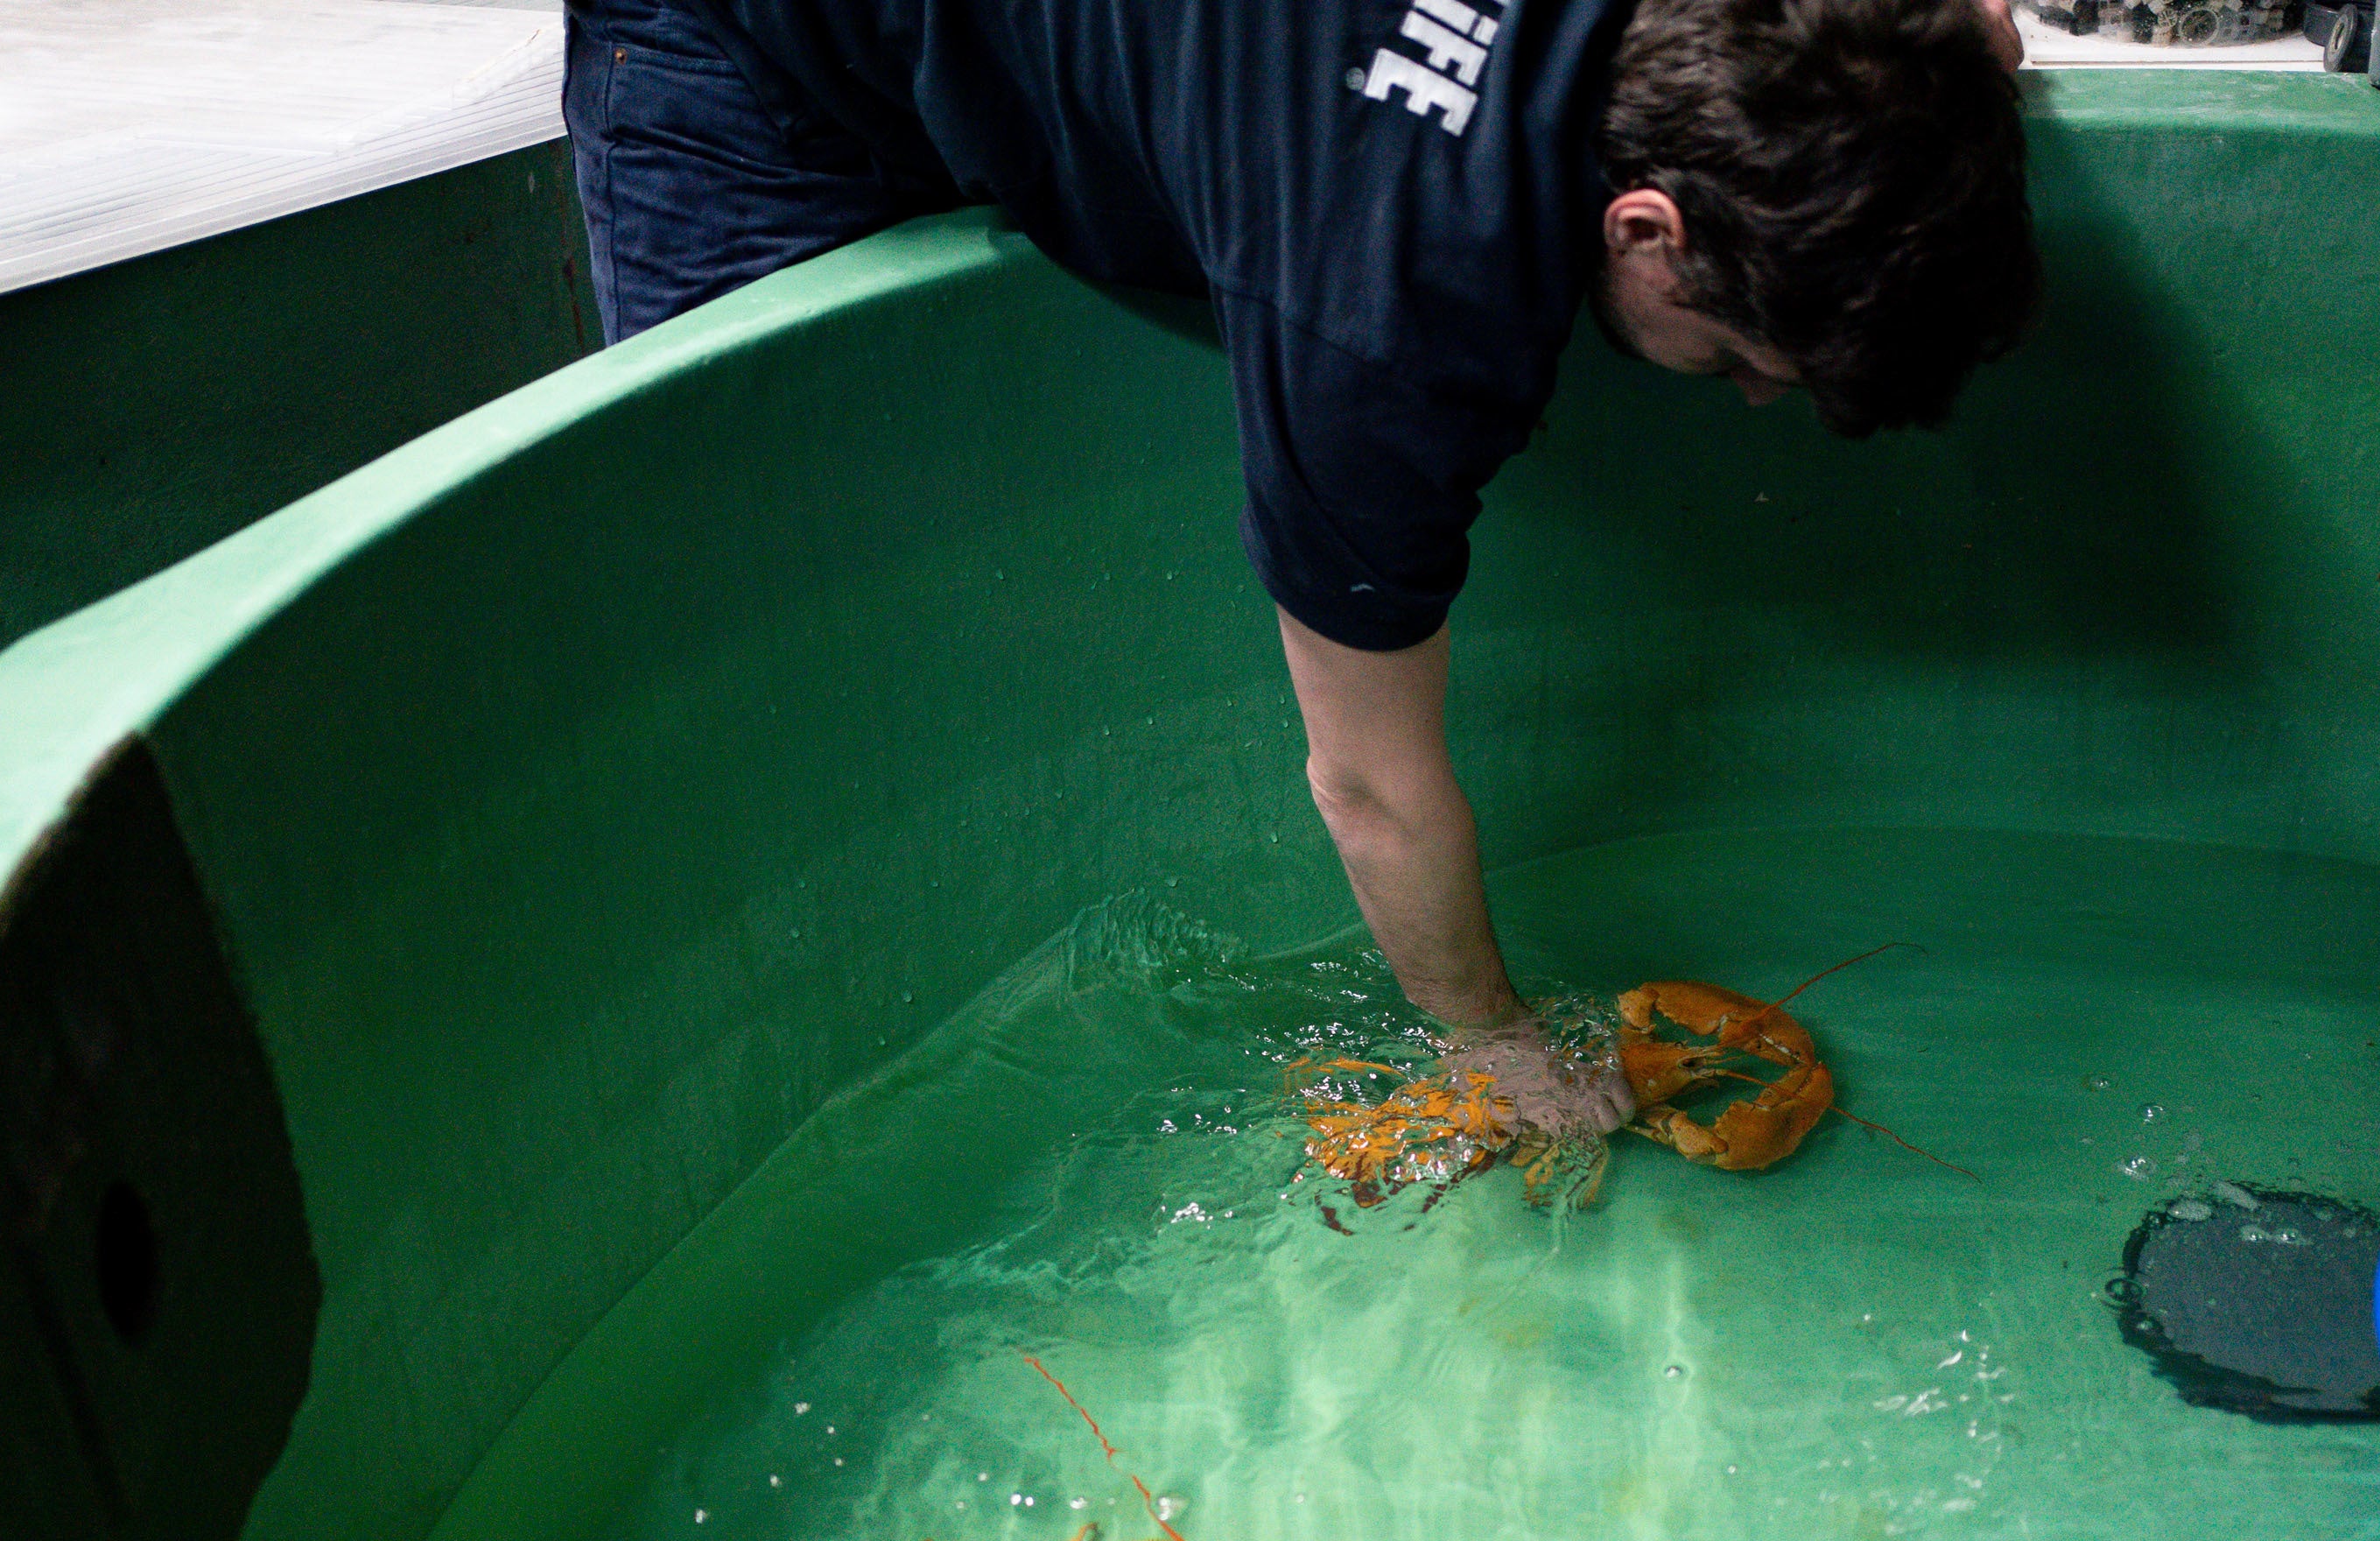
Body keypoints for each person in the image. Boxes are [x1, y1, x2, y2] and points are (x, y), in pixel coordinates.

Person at [561, 0, 2040, 1138]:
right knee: (758, 621)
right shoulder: (1387, 314)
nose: (1752, 399)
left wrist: (1919, 65)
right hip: (739, 52)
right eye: (1741, 360)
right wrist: (1493, 1040)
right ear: (1645, 228)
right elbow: (1370, 787)